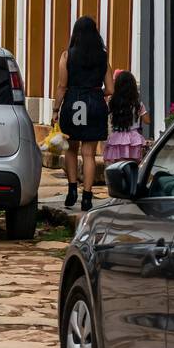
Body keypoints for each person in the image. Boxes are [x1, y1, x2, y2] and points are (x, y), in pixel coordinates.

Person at [54, 15, 113, 212]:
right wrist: (96, 93)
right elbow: (110, 88)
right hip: (95, 103)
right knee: (88, 154)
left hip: (74, 102)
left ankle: (72, 190)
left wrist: (56, 109)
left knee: (71, 149)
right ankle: (87, 197)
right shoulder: (102, 56)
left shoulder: (67, 56)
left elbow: (62, 86)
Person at [103, 68, 151, 165]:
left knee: (117, 165)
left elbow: (104, 116)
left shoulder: (112, 103)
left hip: (116, 138)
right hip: (133, 139)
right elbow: (147, 120)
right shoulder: (137, 104)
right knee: (133, 165)